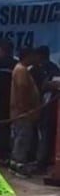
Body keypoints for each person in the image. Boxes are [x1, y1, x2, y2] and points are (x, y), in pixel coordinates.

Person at [9, 48, 41, 174]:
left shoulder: (22, 69)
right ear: (27, 56)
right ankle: (19, 164)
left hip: (22, 112)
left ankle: (15, 163)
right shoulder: (21, 70)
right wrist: (25, 110)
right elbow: (22, 91)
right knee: (22, 139)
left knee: (21, 138)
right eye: (32, 56)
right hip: (23, 113)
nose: (34, 58)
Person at [32, 46, 59, 175]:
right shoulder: (35, 68)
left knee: (45, 134)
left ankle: (41, 162)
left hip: (46, 106)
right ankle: (40, 160)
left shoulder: (49, 68)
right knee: (40, 133)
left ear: (40, 56)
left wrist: (47, 85)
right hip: (39, 105)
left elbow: (54, 85)